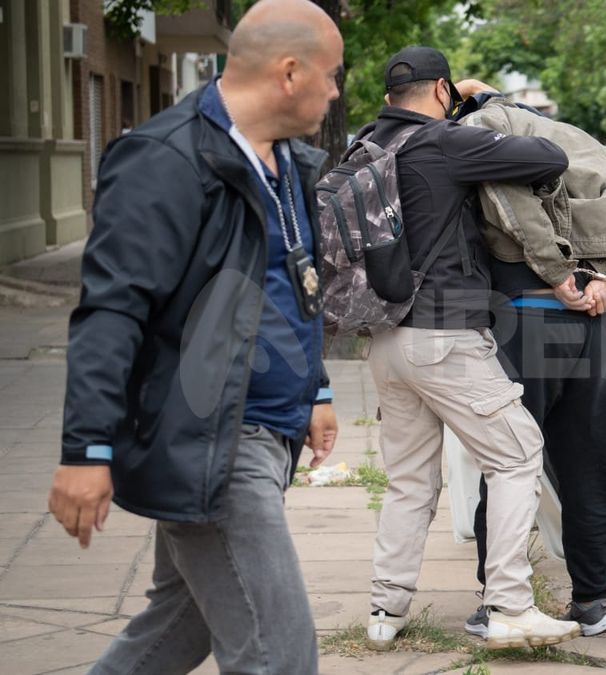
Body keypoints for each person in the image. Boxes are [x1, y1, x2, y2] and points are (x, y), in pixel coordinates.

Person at [47, 1, 342, 672]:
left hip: (265, 431)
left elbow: (286, 284)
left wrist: (315, 385)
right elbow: (112, 312)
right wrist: (85, 448)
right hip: (211, 438)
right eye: (330, 75)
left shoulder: (288, 161)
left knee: (173, 633)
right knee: (280, 657)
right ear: (289, 72)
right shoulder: (165, 159)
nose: (333, 91)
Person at [350, 45, 580, 651]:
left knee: (407, 480)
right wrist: (491, 103)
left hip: (385, 341)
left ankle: (385, 611)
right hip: (444, 336)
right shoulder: (444, 143)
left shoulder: (366, 146)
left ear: (386, 98)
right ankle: (509, 604)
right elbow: (549, 156)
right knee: (517, 454)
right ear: (442, 91)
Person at [453, 89, 606, 640]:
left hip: (527, 322)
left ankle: (497, 602)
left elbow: (516, 223)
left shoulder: (481, 136)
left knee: (507, 465)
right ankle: (593, 603)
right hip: (597, 328)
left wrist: (562, 283)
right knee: (592, 466)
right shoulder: (579, 141)